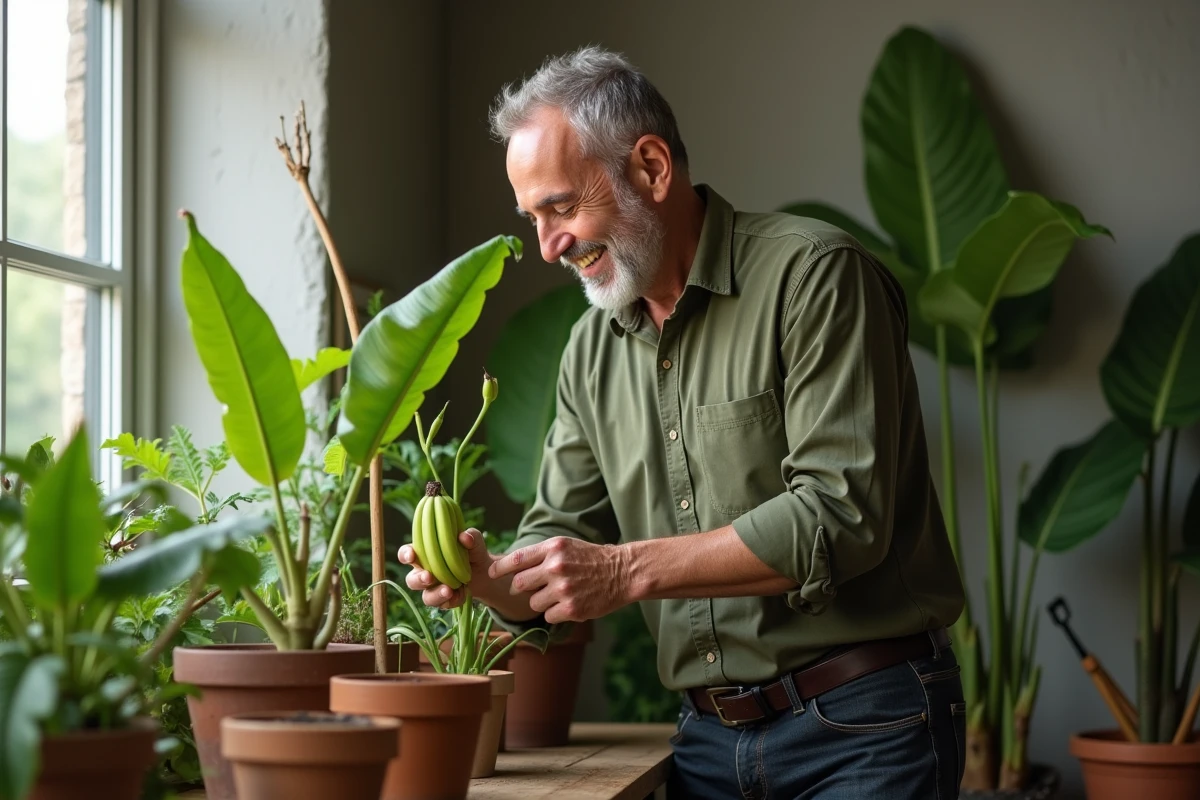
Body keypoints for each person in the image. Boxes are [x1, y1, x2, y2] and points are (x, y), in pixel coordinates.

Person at [399, 45, 967, 800]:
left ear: (653, 168)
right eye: (533, 218)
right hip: (704, 746)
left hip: (864, 730)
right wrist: (495, 583)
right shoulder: (589, 350)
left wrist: (623, 571)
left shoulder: (815, 277)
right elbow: (559, 536)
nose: (548, 246)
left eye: (562, 207)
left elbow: (841, 516)